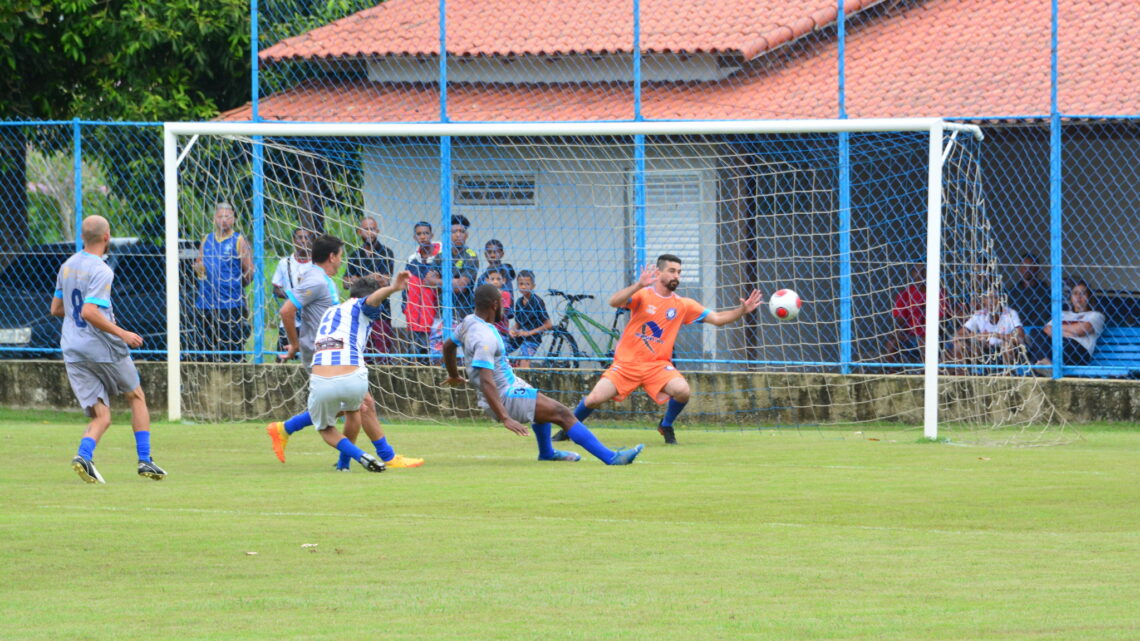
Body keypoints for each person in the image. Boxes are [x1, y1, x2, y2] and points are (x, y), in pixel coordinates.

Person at [568, 254, 763, 445]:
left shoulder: (684, 304)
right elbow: (614, 302)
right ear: (659, 272)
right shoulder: (643, 295)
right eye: (671, 271)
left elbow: (718, 319)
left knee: (683, 391)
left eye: (679, 272)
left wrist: (742, 311)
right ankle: (569, 428)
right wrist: (638, 285)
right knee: (593, 399)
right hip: (627, 364)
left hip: (657, 366)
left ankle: (666, 424)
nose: (676, 276)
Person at [441, 284, 643, 465]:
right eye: (502, 302)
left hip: (510, 385)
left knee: (543, 405)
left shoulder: (469, 321)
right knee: (562, 413)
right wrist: (505, 417)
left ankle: (547, 453)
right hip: (504, 396)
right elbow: (486, 382)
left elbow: (448, 346)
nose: (505, 306)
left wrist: (453, 374)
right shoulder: (485, 337)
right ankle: (611, 458)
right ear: (495, 305)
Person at [268, 234, 423, 470]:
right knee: (359, 405)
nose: (342, 261)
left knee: (348, 407)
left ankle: (293, 433)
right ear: (332, 256)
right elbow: (286, 311)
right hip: (323, 351)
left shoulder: (327, 284)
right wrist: (295, 345)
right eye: (340, 256)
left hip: (329, 351)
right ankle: (385, 456)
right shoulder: (317, 280)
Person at [51, 215, 166, 483]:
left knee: (102, 413)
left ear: (83, 237)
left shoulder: (66, 266)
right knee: (135, 395)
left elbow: (56, 309)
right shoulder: (102, 270)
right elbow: (89, 311)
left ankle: (84, 456)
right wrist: (123, 333)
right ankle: (145, 460)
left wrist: (76, 320)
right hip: (101, 346)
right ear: (107, 236)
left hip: (72, 348)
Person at [303, 272, 411, 473]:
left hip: (319, 375)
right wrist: (393, 288)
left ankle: (351, 461)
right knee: (358, 409)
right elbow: (371, 301)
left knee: (328, 427)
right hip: (352, 375)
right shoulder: (362, 306)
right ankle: (371, 457)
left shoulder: (331, 311)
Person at [193, 202, 253, 362]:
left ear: (233, 219)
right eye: (220, 216)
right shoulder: (207, 239)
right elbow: (199, 263)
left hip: (230, 303)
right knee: (205, 348)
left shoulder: (239, 240)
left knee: (232, 349)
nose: (224, 220)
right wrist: (200, 268)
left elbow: (249, 272)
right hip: (206, 302)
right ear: (214, 219)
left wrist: (235, 287)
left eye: (228, 216)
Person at [343, 216, 396, 361]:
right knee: (361, 352)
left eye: (372, 229)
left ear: (377, 231)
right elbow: (346, 282)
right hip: (359, 311)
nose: (369, 232)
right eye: (366, 229)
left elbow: (384, 281)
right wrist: (370, 278)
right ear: (359, 232)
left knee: (382, 353)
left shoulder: (386, 253)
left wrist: (358, 280)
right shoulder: (355, 255)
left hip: (381, 311)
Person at [883, 263, 949, 364]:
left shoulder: (939, 294)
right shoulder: (905, 294)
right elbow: (900, 320)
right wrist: (901, 332)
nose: (919, 275)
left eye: (922, 271)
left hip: (932, 336)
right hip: (910, 336)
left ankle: (925, 371)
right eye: (916, 272)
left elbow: (942, 322)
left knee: (925, 341)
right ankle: (891, 371)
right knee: (892, 341)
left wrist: (928, 333)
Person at [1033, 281, 1106, 368]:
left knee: (1040, 348)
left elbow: (1081, 330)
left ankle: (1046, 365)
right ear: (1071, 297)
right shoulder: (1063, 314)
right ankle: (1048, 365)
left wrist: (1057, 329)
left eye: (1083, 293)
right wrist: (1069, 333)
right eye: (1075, 293)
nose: (1079, 297)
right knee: (1035, 332)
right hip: (1058, 344)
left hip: (1078, 350)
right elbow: (1046, 329)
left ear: (1089, 297)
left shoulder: (1096, 315)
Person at [425, 214, 479, 321]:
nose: (458, 235)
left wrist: (438, 281)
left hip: (463, 313)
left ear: (466, 235)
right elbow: (427, 281)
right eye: (454, 232)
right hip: (442, 311)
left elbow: (460, 287)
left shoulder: (471, 256)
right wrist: (454, 281)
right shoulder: (442, 255)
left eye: (462, 231)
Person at [952, 291, 1025, 367]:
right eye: (987, 298)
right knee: (959, 344)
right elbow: (959, 334)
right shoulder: (979, 314)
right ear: (983, 300)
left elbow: (1020, 336)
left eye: (995, 297)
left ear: (1001, 299)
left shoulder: (1011, 313)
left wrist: (993, 335)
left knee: (1007, 346)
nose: (991, 301)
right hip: (985, 348)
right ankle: (963, 375)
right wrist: (977, 336)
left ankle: (1007, 376)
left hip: (1003, 347)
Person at [271, 227, 313, 357]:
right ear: (294, 240)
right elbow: (276, 289)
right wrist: (293, 297)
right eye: (299, 238)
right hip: (290, 318)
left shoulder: (316, 264)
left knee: (310, 355)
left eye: (306, 238)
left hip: (311, 317)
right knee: (282, 354)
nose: (303, 241)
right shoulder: (285, 263)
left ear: (311, 241)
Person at [403, 221, 441, 356]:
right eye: (419, 234)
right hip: (414, 317)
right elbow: (405, 287)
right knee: (416, 354)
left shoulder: (441, 257)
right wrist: (405, 308)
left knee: (434, 354)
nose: (423, 237)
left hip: (435, 318)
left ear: (432, 235)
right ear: (415, 237)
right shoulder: (412, 260)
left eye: (426, 233)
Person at [507, 270, 552, 369]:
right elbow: (518, 323)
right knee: (502, 349)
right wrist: (512, 330)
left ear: (533, 286)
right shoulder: (519, 302)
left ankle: (525, 382)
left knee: (524, 364)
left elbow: (548, 325)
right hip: (519, 336)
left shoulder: (538, 302)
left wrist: (528, 333)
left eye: (527, 284)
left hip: (532, 338)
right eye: (521, 284)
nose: (523, 286)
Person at [1007, 253, 1050, 329]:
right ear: (1019, 269)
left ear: (1037, 269)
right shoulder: (1012, 292)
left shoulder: (1046, 291)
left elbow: (1045, 317)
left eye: (1031, 267)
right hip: (1016, 331)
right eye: (1024, 267)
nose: (1027, 270)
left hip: (1039, 331)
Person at [484, 268, 512, 337]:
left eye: (498, 279)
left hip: (501, 330)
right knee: (486, 347)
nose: (495, 282)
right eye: (492, 279)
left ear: (504, 280)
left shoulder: (505, 294)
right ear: (487, 280)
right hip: (487, 329)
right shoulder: (485, 295)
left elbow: (502, 312)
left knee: (501, 346)